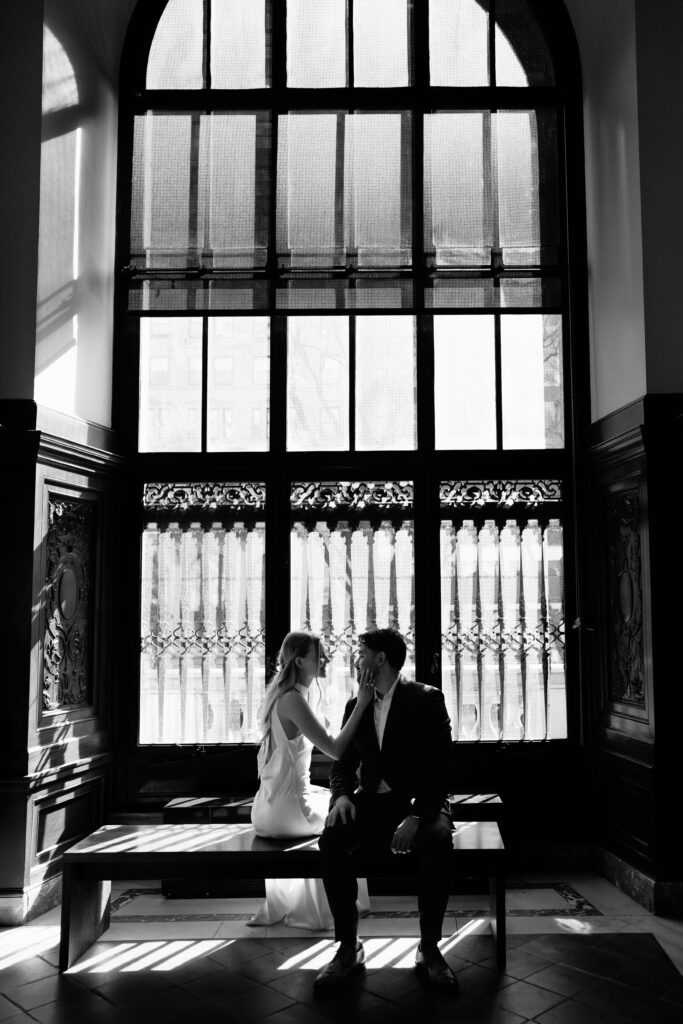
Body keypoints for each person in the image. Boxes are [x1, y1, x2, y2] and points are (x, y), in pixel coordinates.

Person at [314, 628, 457, 990]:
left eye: (361, 653)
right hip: (372, 801)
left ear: (380, 659)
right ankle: (348, 948)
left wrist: (416, 816)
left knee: (438, 842)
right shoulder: (355, 704)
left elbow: (440, 768)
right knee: (332, 840)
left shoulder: (426, 698)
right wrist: (342, 797)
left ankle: (430, 948)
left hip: (420, 802)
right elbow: (341, 766)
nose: (355, 659)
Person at [250, 630, 374, 929]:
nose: (326, 659)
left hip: (267, 807)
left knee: (331, 797)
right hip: (287, 812)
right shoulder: (292, 700)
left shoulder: (284, 696)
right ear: (301, 661)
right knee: (346, 816)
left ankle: (300, 902)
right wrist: (362, 702)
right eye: (320, 655)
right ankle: (342, 904)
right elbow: (334, 749)